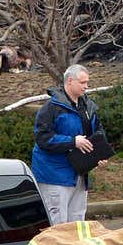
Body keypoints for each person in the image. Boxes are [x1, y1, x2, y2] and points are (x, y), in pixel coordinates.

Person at [32, 64, 101, 225]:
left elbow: (97, 132)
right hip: (54, 176)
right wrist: (72, 142)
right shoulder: (50, 108)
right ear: (70, 81)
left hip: (79, 173)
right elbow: (43, 138)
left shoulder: (87, 106)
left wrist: (98, 155)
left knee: (77, 221)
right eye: (82, 82)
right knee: (58, 224)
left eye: (87, 82)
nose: (86, 86)